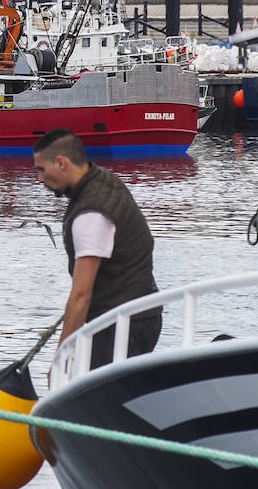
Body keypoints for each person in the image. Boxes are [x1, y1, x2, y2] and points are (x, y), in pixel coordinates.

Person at [33, 128, 162, 368]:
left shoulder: (92, 213)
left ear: (61, 163)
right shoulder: (104, 181)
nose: (39, 179)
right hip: (143, 315)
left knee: (78, 390)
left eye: (41, 169)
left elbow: (81, 296)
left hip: (120, 326)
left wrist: (62, 358)